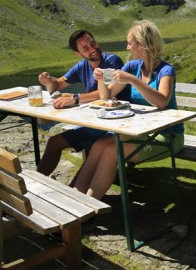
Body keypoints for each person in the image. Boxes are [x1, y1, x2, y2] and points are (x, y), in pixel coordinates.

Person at [73, 20, 184, 200]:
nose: (127, 47)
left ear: (141, 45)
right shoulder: (133, 66)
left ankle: (89, 206)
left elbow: (162, 101)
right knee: (99, 144)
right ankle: (73, 197)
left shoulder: (166, 70)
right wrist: (101, 78)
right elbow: (107, 97)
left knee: (111, 151)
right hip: (141, 131)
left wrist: (133, 80)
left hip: (167, 135)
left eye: (130, 43)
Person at [36, 30, 129, 176]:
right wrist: (49, 81)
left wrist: (75, 98)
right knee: (54, 143)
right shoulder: (81, 66)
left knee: (92, 148)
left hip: (114, 123)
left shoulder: (111, 61)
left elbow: (107, 94)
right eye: (85, 48)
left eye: (92, 42)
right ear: (78, 53)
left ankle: (79, 191)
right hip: (94, 122)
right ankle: (35, 183)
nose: (92, 48)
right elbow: (58, 85)